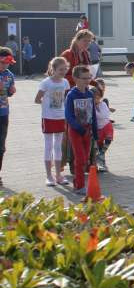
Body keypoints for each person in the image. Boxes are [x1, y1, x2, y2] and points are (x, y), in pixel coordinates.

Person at [35, 56, 70, 186]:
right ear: (53, 69)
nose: (63, 72)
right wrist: (47, 104)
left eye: (65, 69)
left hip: (61, 117)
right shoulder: (46, 82)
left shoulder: (65, 82)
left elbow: (66, 98)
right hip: (48, 117)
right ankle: (49, 176)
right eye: (60, 69)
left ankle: (59, 175)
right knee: (48, 145)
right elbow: (37, 99)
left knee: (58, 146)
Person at [65, 65, 98, 195]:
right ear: (75, 78)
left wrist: (95, 131)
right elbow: (68, 115)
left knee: (86, 159)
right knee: (80, 158)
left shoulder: (90, 93)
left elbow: (93, 114)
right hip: (76, 131)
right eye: (84, 78)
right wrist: (78, 128)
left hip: (87, 130)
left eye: (88, 78)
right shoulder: (71, 95)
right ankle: (79, 186)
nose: (87, 81)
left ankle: (79, 183)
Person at [0, 47, 15, 186]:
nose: (5, 65)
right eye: (3, 62)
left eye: (8, 63)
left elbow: (8, 92)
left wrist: (11, 91)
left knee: (1, 146)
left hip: (3, 113)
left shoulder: (10, 75)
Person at [91, 86, 113, 172]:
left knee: (107, 141)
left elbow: (103, 116)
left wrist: (95, 110)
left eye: (98, 97)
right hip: (97, 128)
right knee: (98, 146)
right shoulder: (90, 106)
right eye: (95, 98)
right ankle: (101, 164)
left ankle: (101, 154)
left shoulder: (103, 104)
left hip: (106, 126)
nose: (97, 99)